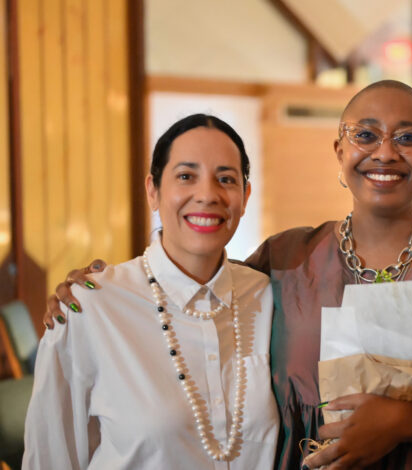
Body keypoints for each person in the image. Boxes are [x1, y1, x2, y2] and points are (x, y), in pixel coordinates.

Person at [43, 81, 412, 470]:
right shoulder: (287, 259)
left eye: (409, 138)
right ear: (339, 152)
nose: (385, 153)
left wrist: (410, 421)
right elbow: (191, 287)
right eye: (365, 135)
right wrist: (98, 290)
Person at [24, 114, 279, 468]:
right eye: (186, 176)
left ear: (245, 195)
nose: (207, 194)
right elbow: (50, 456)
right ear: (153, 191)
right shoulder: (90, 305)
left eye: (226, 179)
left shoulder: (267, 296)